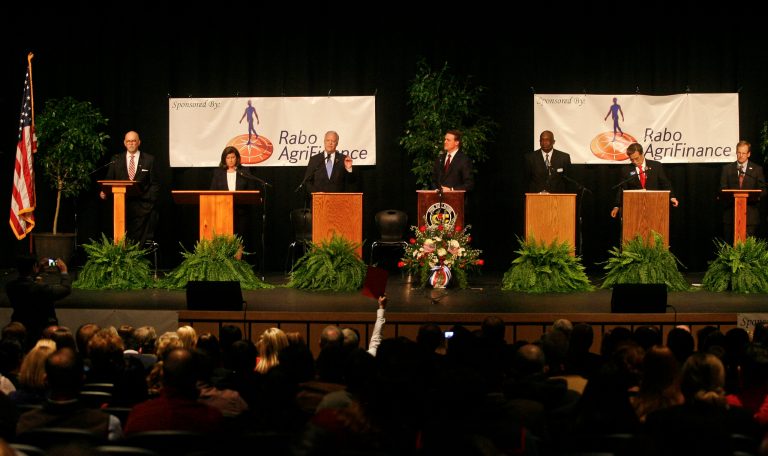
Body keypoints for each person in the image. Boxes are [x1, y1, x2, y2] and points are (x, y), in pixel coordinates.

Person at [100, 131, 160, 246]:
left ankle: (134, 258)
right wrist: (104, 192)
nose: (131, 143)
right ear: (124, 143)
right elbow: (108, 180)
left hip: (143, 207)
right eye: (128, 141)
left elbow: (155, 184)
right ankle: (121, 256)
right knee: (121, 236)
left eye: (133, 141)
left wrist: (150, 201)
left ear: (139, 142)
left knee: (136, 240)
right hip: (121, 206)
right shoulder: (116, 159)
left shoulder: (149, 159)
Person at [6, 255, 70, 348]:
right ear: (33, 267)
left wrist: (37, 270)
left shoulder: (10, 287)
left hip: (20, 326)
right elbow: (66, 289)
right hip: (42, 329)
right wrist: (64, 271)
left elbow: (26, 280)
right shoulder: (41, 289)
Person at [610, 142, 679, 218]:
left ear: (642, 154)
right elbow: (622, 189)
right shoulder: (626, 170)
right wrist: (616, 206)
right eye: (632, 160)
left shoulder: (656, 166)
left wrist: (672, 197)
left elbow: (665, 183)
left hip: (654, 204)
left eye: (636, 158)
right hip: (635, 207)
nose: (635, 162)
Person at [210, 146, 259, 248]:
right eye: (228, 158)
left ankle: (238, 262)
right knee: (224, 240)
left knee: (239, 241)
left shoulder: (244, 172)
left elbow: (251, 191)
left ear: (237, 158)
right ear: (224, 159)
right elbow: (212, 192)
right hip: (223, 212)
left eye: (232, 157)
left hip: (241, 212)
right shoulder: (218, 173)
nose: (231, 160)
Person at [719, 140, 766, 241]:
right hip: (730, 216)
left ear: (749, 154)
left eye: (744, 153)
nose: (741, 155)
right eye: (739, 152)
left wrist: (752, 197)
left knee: (748, 249)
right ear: (736, 152)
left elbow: (763, 190)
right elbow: (722, 189)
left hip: (750, 217)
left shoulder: (757, 169)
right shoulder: (727, 169)